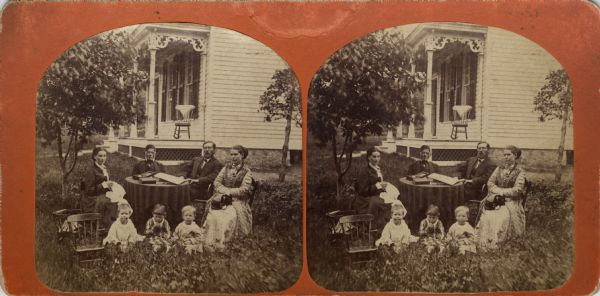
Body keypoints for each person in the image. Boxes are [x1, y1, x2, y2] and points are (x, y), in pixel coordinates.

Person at [477, 145, 527, 250]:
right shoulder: (499, 168)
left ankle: (500, 243)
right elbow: (490, 183)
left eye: (509, 155)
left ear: (515, 155)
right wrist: (498, 192)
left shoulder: (520, 171)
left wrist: (502, 192)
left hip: (511, 201)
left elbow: (517, 190)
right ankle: (485, 243)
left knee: (503, 217)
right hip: (496, 199)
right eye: (504, 155)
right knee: (487, 215)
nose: (506, 157)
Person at [203, 145, 254, 241]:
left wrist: (229, 193)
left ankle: (226, 239)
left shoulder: (247, 171)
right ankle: (212, 237)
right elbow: (216, 182)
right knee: (213, 214)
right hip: (222, 197)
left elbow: (244, 189)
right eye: (231, 154)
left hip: (237, 200)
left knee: (229, 216)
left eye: (236, 154)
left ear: (242, 155)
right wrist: (224, 192)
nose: (233, 157)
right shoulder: (225, 168)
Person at [355, 147, 391, 232]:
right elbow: (362, 191)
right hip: (365, 200)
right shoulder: (364, 171)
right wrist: (377, 186)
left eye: (378, 156)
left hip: (375, 195)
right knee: (386, 204)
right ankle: (378, 228)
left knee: (396, 200)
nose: (376, 159)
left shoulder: (377, 168)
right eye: (374, 156)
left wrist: (384, 187)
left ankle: (390, 226)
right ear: (368, 157)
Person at [82, 147, 117, 229]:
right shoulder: (91, 171)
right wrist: (104, 185)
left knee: (121, 198)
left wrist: (111, 186)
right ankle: (107, 226)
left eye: (104, 156)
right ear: (94, 157)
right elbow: (88, 191)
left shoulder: (103, 168)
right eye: (100, 156)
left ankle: (117, 225)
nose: (103, 158)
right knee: (112, 202)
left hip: (102, 194)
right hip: (92, 199)